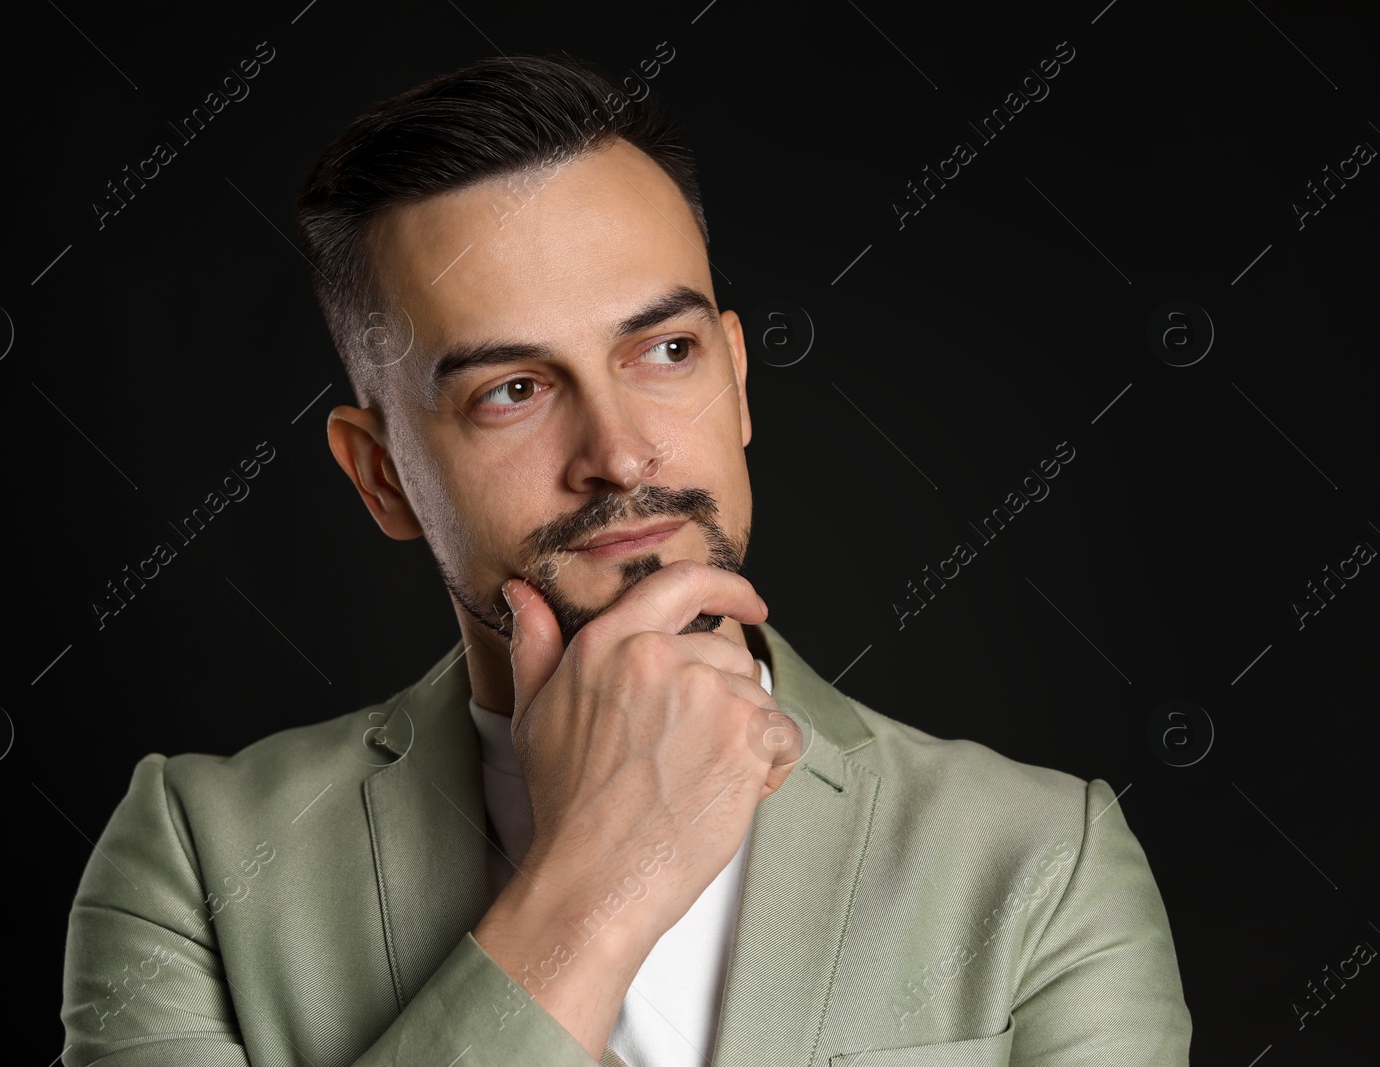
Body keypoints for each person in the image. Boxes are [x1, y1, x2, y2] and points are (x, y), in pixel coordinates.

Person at [59, 54, 1191, 1066]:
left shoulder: (1041, 862)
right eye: (512, 389)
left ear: (738, 379)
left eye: (664, 349)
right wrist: (593, 886)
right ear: (381, 475)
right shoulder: (198, 863)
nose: (618, 452)